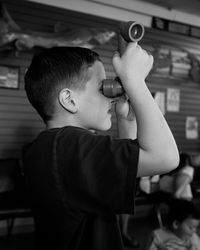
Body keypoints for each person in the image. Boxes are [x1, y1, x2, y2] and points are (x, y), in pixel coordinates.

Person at [23, 44, 179, 250]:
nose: (112, 95)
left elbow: (120, 177)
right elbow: (166, 157)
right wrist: (136, 83)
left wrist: (127, 121)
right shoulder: (69, 145)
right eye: (102, 87)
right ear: (69, 100)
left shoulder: (47, 147)